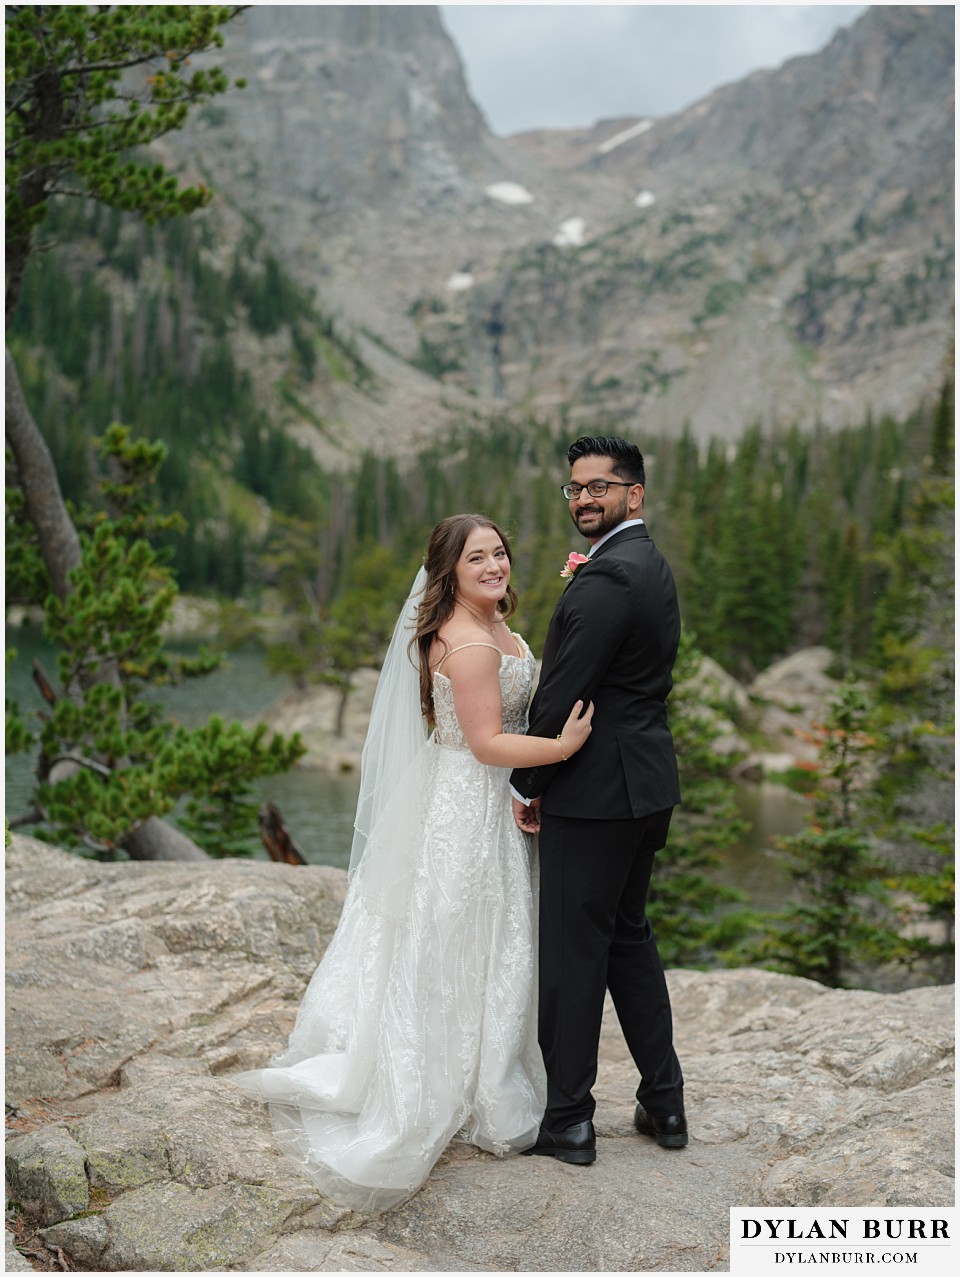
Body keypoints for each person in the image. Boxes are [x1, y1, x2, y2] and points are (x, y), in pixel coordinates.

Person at [234, 513, 593, 1212]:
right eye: (477, 558)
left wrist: (528, 790)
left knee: (489, 937)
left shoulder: (498, 628)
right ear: (449, 572)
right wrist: (560, 750)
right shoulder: (466, 641)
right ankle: (446, 1080)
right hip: (465, 803)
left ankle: (484, 1070)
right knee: (454, 937)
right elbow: (488, 741)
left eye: (499, 552)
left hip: (490, 803)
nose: (494, 565)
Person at [511, 436, 687, 1166]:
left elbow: (562, 694)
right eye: (576, 487)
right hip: (645, 783)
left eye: (600, 487)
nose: (585, 498)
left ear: (634, 496)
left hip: (595, 792)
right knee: (626, 938)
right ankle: (665, 1101)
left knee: (573, 953)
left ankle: (569, 1119)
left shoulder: (609, 577)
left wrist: (528, 781)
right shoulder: (649, 564)